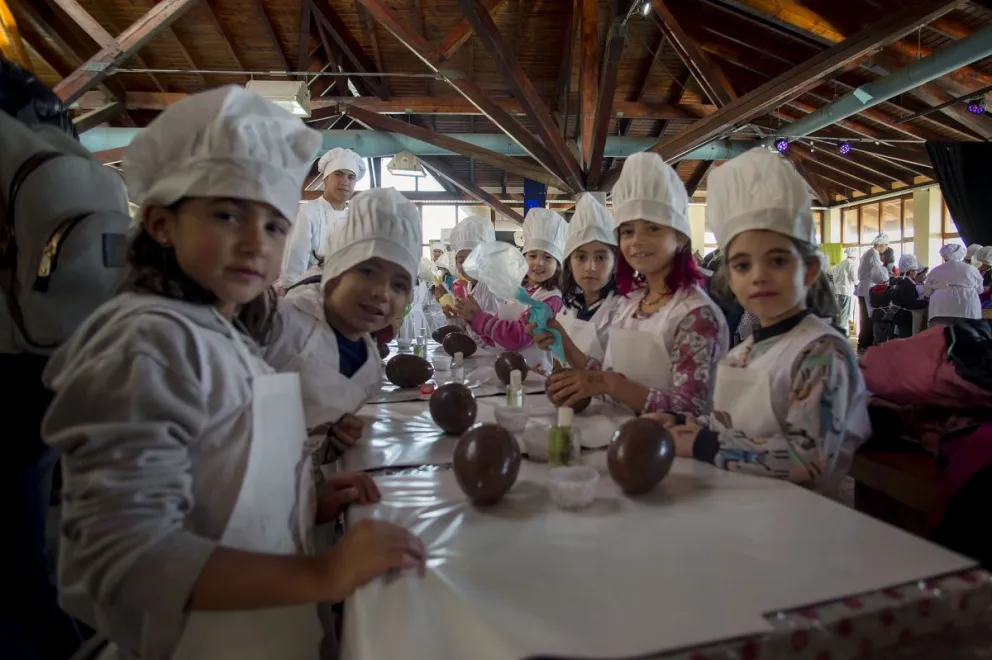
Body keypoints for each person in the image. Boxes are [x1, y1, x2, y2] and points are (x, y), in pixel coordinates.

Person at [40, 87, 425, 660]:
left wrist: (302, 501)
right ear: (160, 223)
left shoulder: (222, 336)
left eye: (274, 225)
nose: (255, 242)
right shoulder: (147, 341)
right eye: (227, 213)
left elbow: (214, 482)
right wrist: (323, 575)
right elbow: (128, 559)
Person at [657, 148, 868, 494]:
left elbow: (810, 459)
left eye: (778, 261)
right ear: (730, 278)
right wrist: (685, 423)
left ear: (810, 270)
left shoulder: (822, 352)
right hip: (738, 507)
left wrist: (704, 444)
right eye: (742, 265)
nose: (758, 276)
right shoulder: (745, 351)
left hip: (797, 523)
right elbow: (733, 424)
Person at [540, 152, 729, 416]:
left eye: (652, 228)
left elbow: (689, 409)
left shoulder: (695, 314)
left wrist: (609, 383)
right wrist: (564, 342)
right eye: (628, 231)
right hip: (617, 438)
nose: (637, 241)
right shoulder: (631, 303)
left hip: (670, 452)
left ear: (681, 238)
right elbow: (606, 375)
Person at [266, 188, 421, 459]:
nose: (382, 293)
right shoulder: (282, 325)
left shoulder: (368, 362)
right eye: (367, 271)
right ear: (335, 271)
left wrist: (327, 443)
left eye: (399, 285)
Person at [450, 208, 566, 373]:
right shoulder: (519, 293)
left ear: (558, 265)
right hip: (508, 370)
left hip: (534, 376)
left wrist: (477, 316)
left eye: (547, 257)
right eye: (532, 256)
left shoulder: (551, 300)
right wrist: (471, 318)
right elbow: (495, 340)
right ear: (522, 259)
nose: (538, 263)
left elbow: (517, 338)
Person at [279, 147, 366, 288]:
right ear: (325, 179)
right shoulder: (307, 213)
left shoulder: (355, 219)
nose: (345, 181)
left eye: (351, 177)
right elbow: (293, 268)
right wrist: (291, 292)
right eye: (338, 174)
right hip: (306, 293)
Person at [551, 195, 619, 364]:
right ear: (569, 264)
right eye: (580, 257)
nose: (590, 267)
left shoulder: (622, 312)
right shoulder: (568, 310)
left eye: (601, 258)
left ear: (615, 264)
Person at [441, 215, 500, 346]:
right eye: (461, 260)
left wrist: (474, 315)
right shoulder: (468, 287)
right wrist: (454, 316)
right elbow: (465, 331)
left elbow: (497, 336)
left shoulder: (491, 287)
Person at [924, 243, 983, 325]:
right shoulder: (971, 270)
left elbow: (927, 292)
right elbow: (979, 290)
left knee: (940, 335)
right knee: (967, 334)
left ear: (944, 256)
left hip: (940, 309)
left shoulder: (935, 271)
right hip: (967, 308)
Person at [856, 234, 890, 352]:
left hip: (863, 287)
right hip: (867, 288)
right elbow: (878, 272)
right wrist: (888, 278)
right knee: (869, 317)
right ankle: (866, 344)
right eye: (886, 245)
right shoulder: (873, 254)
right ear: (880, 244)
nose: (886, 248)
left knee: (865, 317)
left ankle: (864, 343)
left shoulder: (869, 253)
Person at [889, 254, 928, 338]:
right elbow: (911, 303)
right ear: (910, 272)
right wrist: (927, 302)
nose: (916, 273)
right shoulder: (907, 284)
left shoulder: (897, 280)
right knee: (905, 338)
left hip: (898, 315)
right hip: (905, 317)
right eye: (915, 271)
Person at [829, 247, 858, 332]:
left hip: (838, 291)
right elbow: (854, 278)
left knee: (841, 313)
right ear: (854, 256)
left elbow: (834, 277)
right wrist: (858, 283)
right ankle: (842, 333)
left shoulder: (841, 263)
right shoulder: (851, 264)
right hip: (846, 291)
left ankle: (840, 331)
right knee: (845, 314)